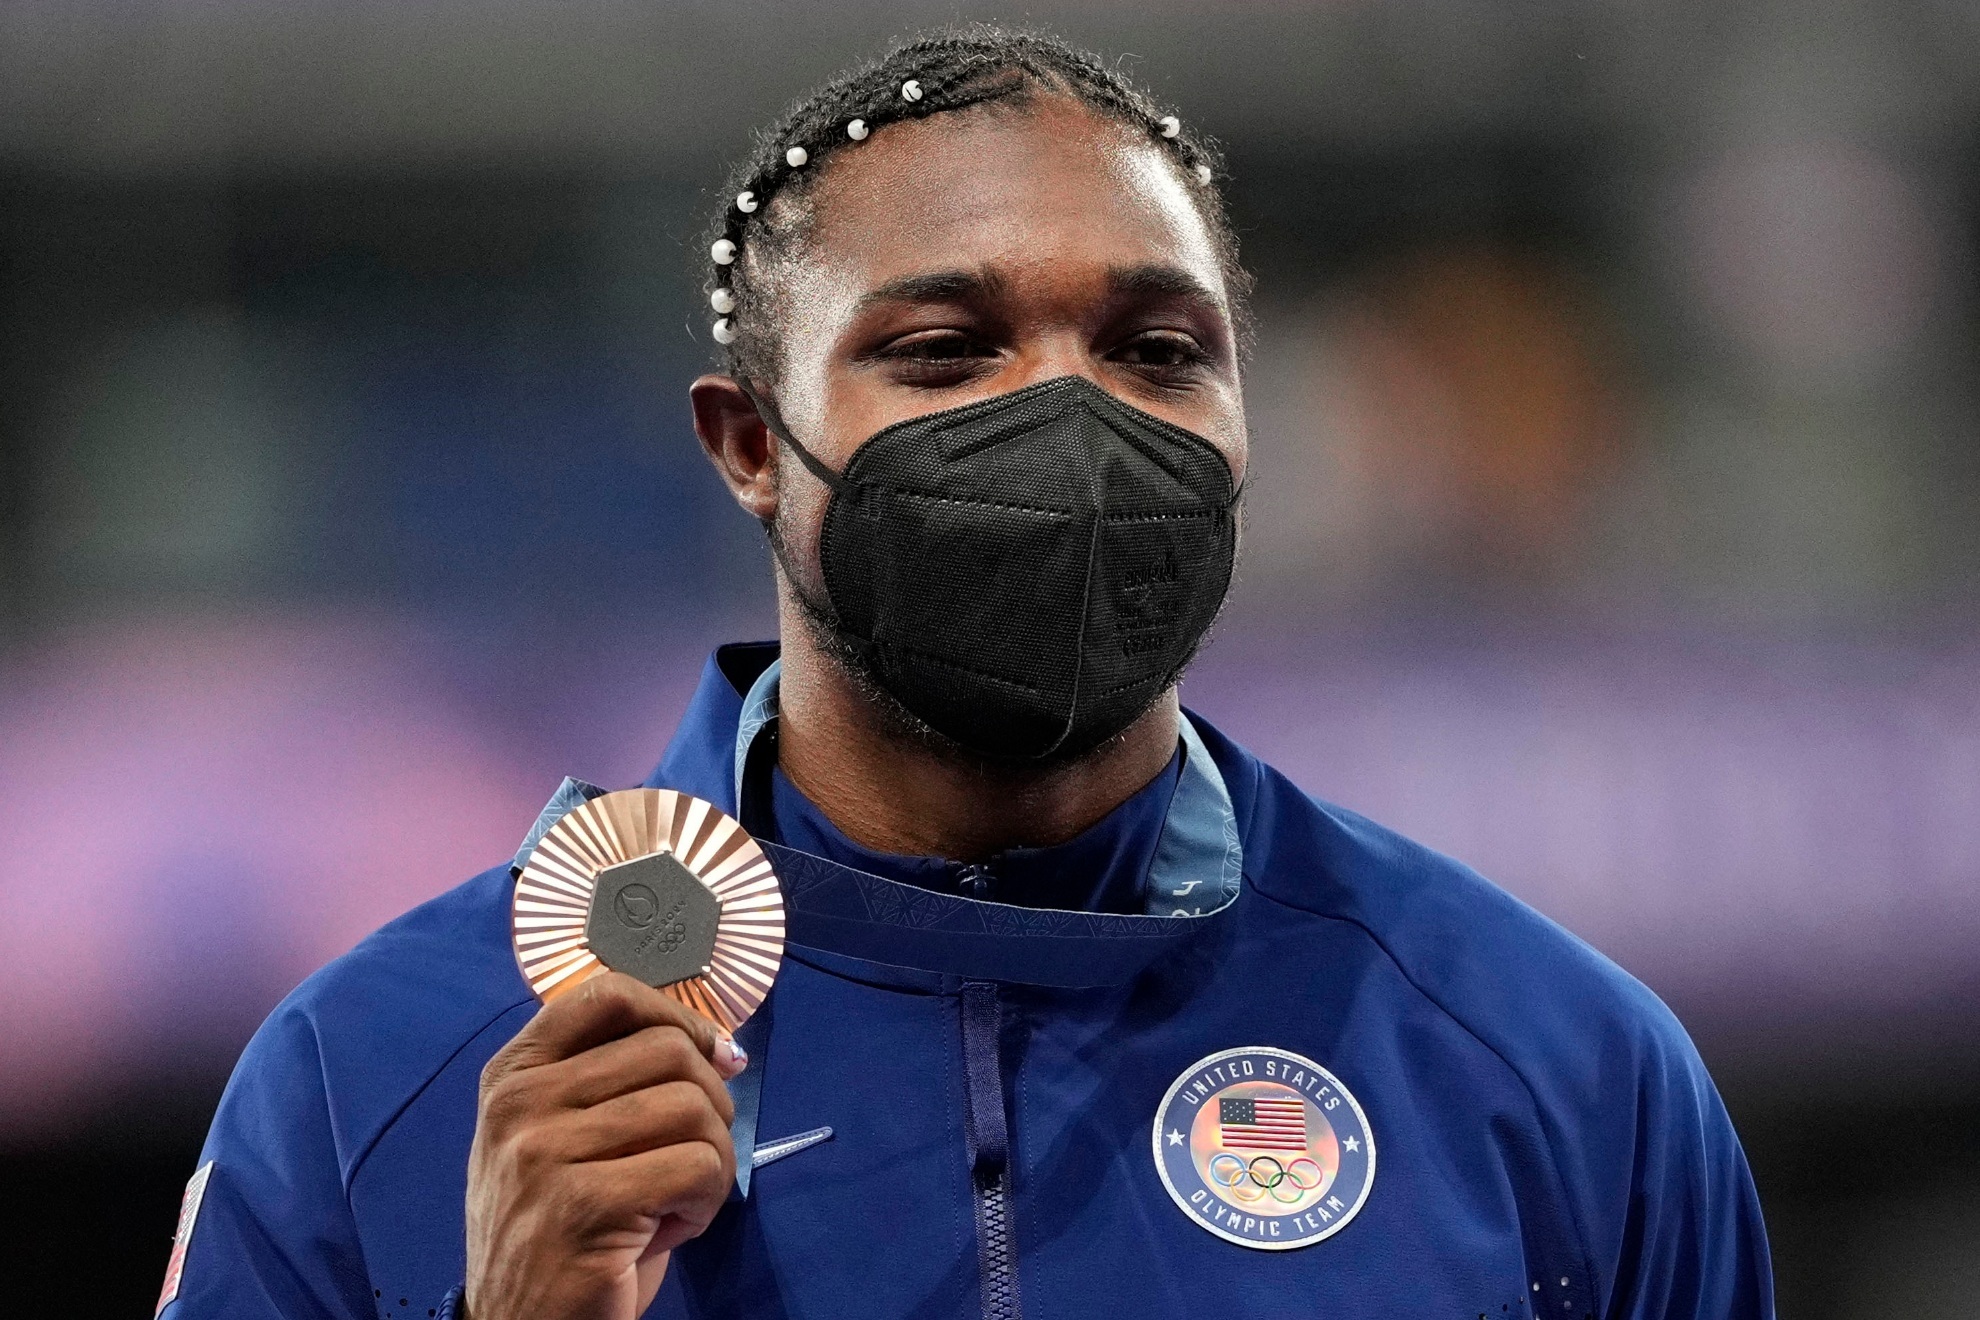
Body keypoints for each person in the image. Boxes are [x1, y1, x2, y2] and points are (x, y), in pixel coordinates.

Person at [161, 27, 1774, 1320]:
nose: (1069, 425)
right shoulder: (380, 1075)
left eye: (1157, 354)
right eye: (944, 353)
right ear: (747, 445)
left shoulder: (1555, 1069)